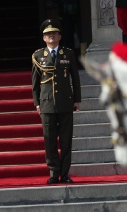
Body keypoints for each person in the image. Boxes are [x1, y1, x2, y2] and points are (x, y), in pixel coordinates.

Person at [31, 19, 81, 184]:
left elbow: (75, 78)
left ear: (59, 36)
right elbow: (35, 83)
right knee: (50, 140)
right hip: (46, 103)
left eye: (54, 33)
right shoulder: (38, 56)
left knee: (66, 140)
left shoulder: (68, 53)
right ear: (44, 38)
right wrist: (37, 102)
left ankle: (65, 173)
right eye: (47, 34)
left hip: (66, 102)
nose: (51, 36)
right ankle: (54, 173)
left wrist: (77, 99)